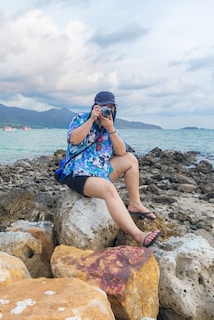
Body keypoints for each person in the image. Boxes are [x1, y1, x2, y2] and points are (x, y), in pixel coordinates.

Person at [58, 91, 161, 247]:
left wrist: (111, 129)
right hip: (77, 174)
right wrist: (92, 119)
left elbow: (121, 152)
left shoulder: (110, 127)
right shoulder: (80, 119)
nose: (108, 110)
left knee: (131, 159)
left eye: (111, 107)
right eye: (104, 107)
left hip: (99, 171)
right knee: (109, 189)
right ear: (95, 107)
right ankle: (139, 236)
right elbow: (74, 139)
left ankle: (135, 203)